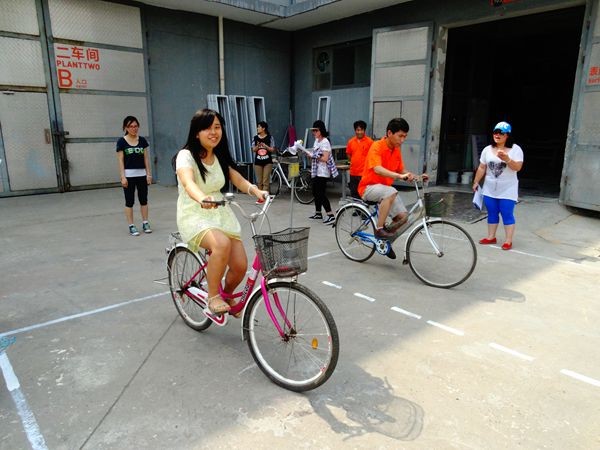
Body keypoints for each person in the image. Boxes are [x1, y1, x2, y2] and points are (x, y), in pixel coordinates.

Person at [175, 109, 268, 315]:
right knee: (221, 244)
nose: (213, 132)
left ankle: (226, 294)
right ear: (196, 132)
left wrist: (256, 190)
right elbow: (188, 182)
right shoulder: (185, 156)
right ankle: (213, 296)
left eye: (217, 127)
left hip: (219, 213)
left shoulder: (219, 156)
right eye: (207, 128)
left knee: (240, 266)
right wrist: (201, 197)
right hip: (194, 212)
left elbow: (238, 179)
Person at [358, 118, 428, 259]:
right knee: (391, 192)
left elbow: (401, 169)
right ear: (390, 133)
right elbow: (377, 169)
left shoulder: (396, 149)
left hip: (385, 190)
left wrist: (417, 176)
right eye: (400, 136)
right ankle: (379, 230)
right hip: (368, 188)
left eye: (405, 136)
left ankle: (385, 242)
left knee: (404, 218)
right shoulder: (377, 146)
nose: (402, 140)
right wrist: (398, 176)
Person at [472, 121, 524, 250]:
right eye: (495, 132)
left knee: (507, 213)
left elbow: (518, 167)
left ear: (508, 135)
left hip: (508, 188)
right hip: (490, 188)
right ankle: (491, 237)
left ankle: (508, 240)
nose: (497, 135)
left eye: (501, 133)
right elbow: (482, 167)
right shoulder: (487, 149)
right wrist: (476, 181)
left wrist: (507, 159)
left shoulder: (515, 149)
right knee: (492, 213)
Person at [116, 116, 152, 236]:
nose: (134, 128)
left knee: (144, 200)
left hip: (142, 175)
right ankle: (131, 225)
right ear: (126, 128)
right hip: (128, 176)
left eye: (136, 126)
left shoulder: (142, 141)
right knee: (129, 201)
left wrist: (148, 174)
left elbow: (146, 158)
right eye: (131, 126)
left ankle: (145, 223)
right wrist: (123, 177)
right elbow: (120, 160)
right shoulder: (121, 142)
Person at [304, 120, 338, 224]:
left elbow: (325, 158)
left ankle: (330, 214)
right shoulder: (317, 141)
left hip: (323, 171)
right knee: (315, 191)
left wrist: (313, 156)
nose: (314, 132)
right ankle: (318, 212)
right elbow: (316, 154)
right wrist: (310, 155)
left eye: (316, 130)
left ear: (321, 130)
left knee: (320, 192)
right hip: (316, 170)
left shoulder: (325, 142)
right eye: (313, 131)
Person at [346, 120, 373, 198]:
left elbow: (373, 156)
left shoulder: (370, 142)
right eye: (358, 130)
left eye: (361, 130)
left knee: (364, 195)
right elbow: (348, 154)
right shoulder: (351, 142)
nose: (359, 132)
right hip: (353, 173)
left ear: (364, 130)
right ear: (355, 130)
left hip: (364, 174)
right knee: (354, 194)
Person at [251, 121, 276, 204]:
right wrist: (258, 146)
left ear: (263, 128)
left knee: (265, 180)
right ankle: (261, 197)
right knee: (259, 181)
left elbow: (272, 149)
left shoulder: (270, 137)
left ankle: (264, 198)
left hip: (267, 161)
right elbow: (253, 149)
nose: (257, 128)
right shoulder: (255, 138)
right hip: (258, 161)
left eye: (259, 127)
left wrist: (266, 146)